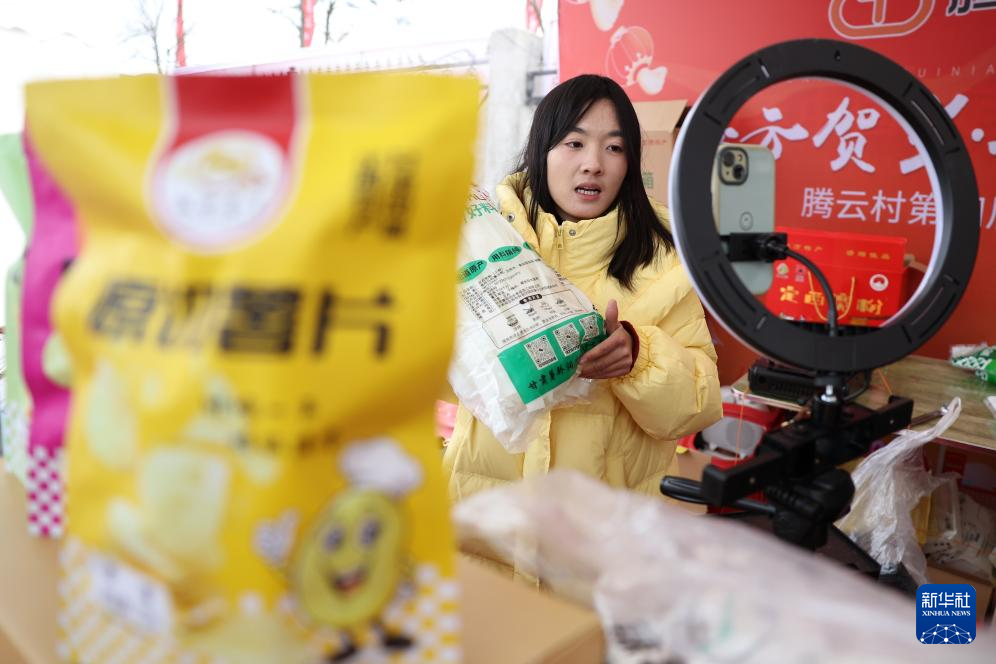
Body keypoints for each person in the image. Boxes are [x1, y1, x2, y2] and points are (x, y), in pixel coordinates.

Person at [443, 74, 722, 511]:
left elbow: (697, 405)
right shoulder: (486, 238)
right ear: (542, 150)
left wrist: (639, 356)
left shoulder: (664, 257)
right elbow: (443, 381)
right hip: (490, 517)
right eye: (575, 143)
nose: (594, 163)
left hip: (608, 529)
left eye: (614, 147)